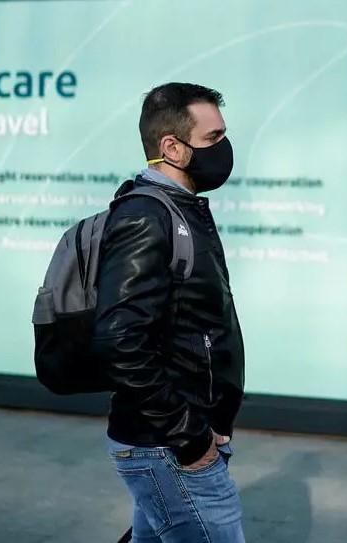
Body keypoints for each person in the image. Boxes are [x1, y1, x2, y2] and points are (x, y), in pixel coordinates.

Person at [92, 82, 246, 543]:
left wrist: (214, 421)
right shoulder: (147, 216)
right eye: (213, 138)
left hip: (182, 436)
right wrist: (190, 436)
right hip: (168, 446)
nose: (225, 148)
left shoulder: (180, 209)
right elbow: (119, 339)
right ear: (173, 148)